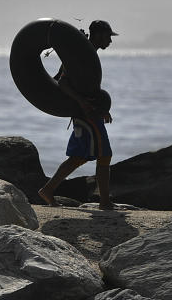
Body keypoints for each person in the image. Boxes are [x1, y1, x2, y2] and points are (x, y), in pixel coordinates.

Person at [38, 19, 118, 210]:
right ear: (98, 35)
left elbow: (87, 87)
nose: (110, 41)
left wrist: (100, 108)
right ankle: (104, 202)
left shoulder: (87, 53)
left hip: (87, 112)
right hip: (85, 114)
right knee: (104, 154)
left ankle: (48, 190)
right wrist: (82, 103)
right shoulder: (79, 53)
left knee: (78, 158)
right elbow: (64, 82)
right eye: (108, 36)